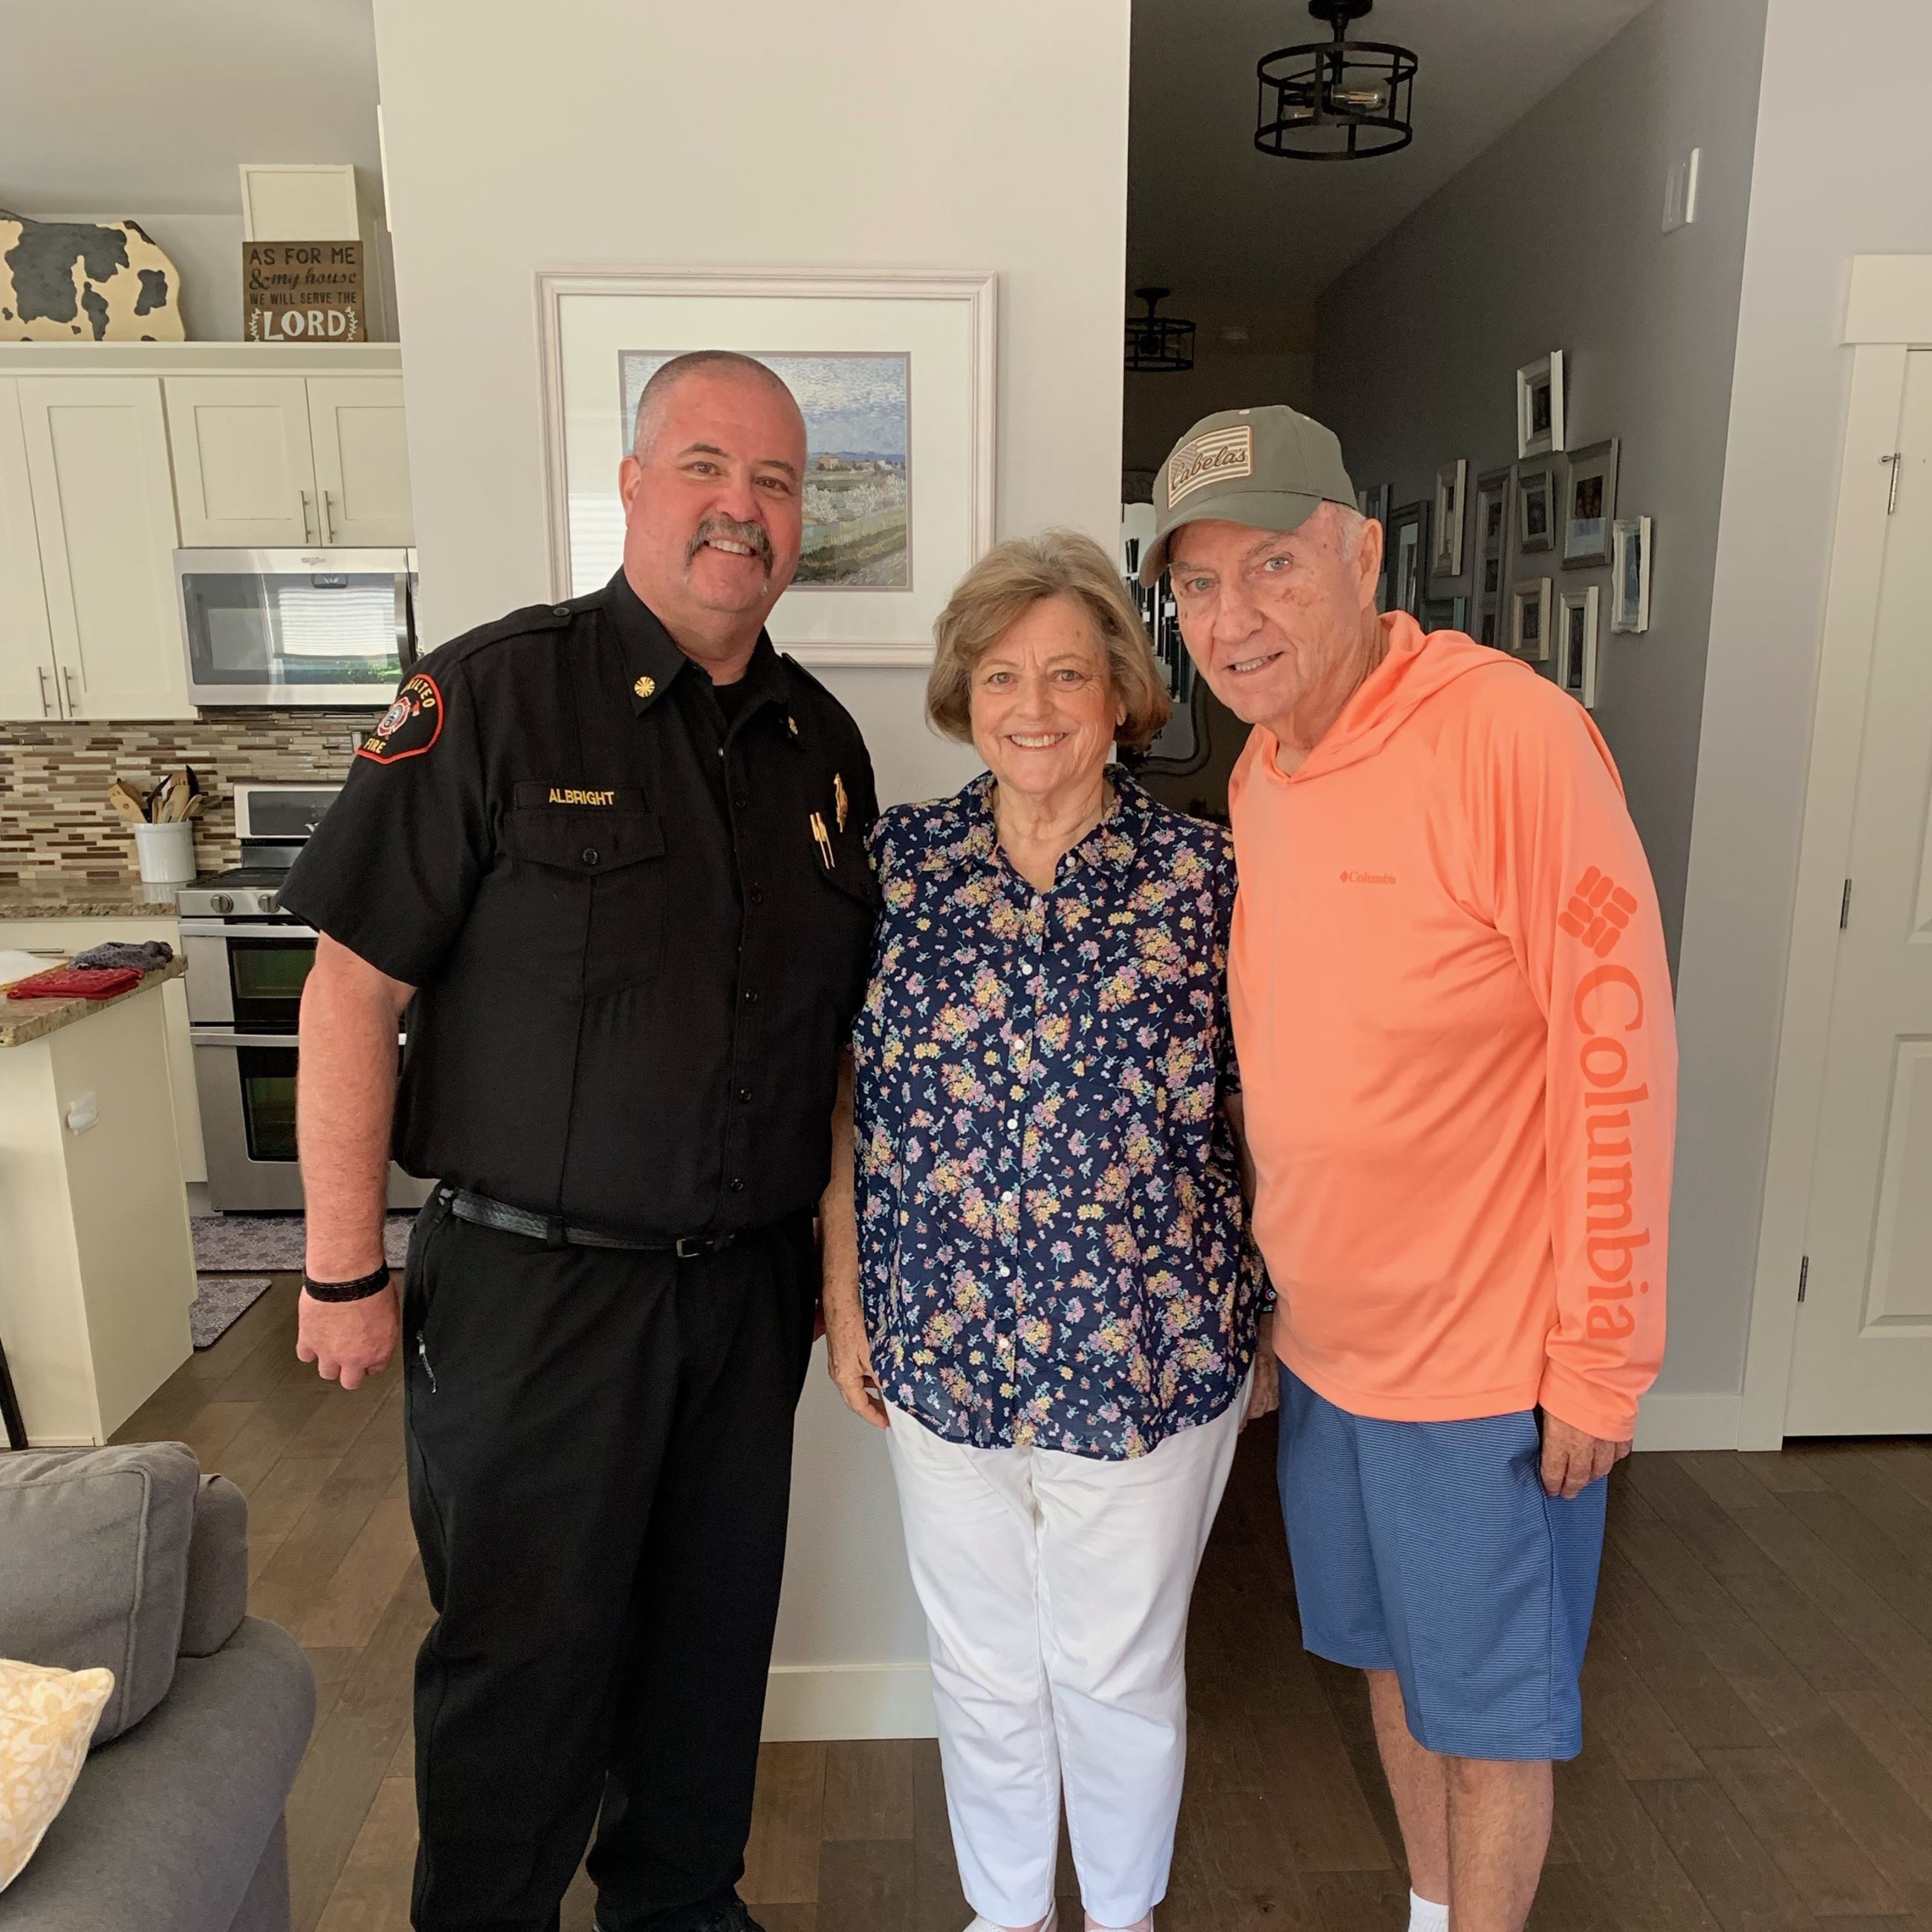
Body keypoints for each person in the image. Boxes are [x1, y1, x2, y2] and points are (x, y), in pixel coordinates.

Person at [280, 351, 880, 1932]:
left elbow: (833, 1056)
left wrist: (831, 1274)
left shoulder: (824, 746)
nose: (740, 509)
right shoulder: (489, 693)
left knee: (703, 1648)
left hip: (742, 1302)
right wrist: (340, 1267)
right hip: (533, 1299)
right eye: (705, 466)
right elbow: (348, 992)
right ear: (631, 484)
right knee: (521, 1665)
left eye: (775, 482)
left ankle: (679, 1909)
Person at [1141, 406, 1676, 1932]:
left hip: (1484, 1365)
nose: (1233, 619)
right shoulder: (1262, 773)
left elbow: (1618, 1046)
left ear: (1361, 554)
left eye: (1273, 567)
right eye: (1197, 585)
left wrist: (1602, 1352)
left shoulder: (1509, 735)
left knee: (1490, 1717)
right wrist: (1262, 1305)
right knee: (1389, 1663)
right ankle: (1433, 1910)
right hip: (1329, 1352)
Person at [820, 531, 1273, 1932]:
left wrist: (1278, 1318)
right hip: (936, 1342)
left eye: (1069, 674)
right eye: (1003, 675)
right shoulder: (895, 869)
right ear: (963, 691)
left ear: (1122, 692)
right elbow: (837, 1105)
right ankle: (1005, 1918)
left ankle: (1122, 1918)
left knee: (1117, 1673)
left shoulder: (1208, 882)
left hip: (1150, 1352)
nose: (1034, 707)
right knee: (983, 1668)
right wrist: (845, 1300)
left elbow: (1274, 1120)